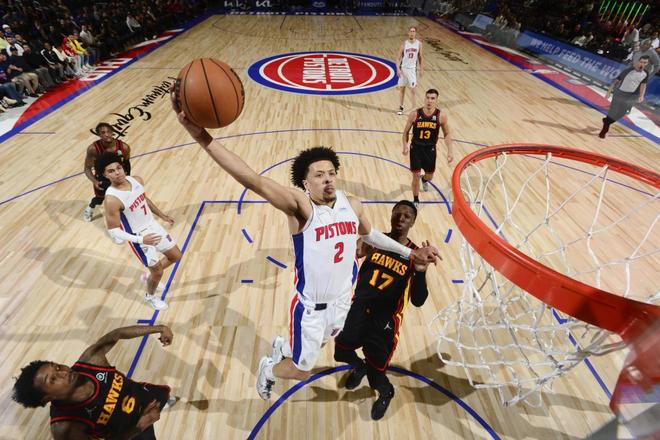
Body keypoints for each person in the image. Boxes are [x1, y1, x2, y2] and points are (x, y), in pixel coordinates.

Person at [170, 87, 440, 400]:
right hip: (311, 308)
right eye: (319, 175)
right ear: (305, 183)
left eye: (331, 173)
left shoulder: (351, 204)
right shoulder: (301, 207)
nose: (328, 179)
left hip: (343, 302)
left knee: (320, 343)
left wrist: (410, 253)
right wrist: (201, 135)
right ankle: (269, 368)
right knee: (301, 369)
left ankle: (284, 347)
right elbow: (252, 180)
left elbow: (370, 235)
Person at [334, 200, 429, 420]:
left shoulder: (415, 254)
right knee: (341, 352)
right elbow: (346, 261)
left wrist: (421, 272)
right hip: (358, 308)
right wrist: (354, 253)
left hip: (384, 321)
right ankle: (359, 366)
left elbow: (418, 300)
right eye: (398, 213)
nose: (401, 218)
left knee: (376, 376)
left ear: (413, 222)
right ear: (391, 215)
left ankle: (386, 392)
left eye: (407, 216)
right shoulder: (374, 240)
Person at [12, 324, 177, 439]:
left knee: (163, 396)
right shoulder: (65, 428)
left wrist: (160, 328)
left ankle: (163, 404)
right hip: (131, 433)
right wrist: (139, 427)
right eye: (53, 379)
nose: (64, 372)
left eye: (57, 367)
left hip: (143, 396)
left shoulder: (90, 361)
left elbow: (116, 334)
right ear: (47, 398)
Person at [97, 152, 182, 310]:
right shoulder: (112, 199)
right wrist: (142, 240)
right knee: (158, 272)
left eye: (118, 168)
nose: (117, 173)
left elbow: (144, 199)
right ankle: (150, 297)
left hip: (153, 226)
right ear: (105, 175)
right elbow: (113, 230)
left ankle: (149, 275)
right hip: (139, 236)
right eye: (111, 171)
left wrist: (162, 216)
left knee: (176, 255)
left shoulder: (136, 180)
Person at [401, 88, 454, 207]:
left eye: (432, 98)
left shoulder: (441, 116)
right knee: (415, 176)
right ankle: (415, 200)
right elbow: (405, 132)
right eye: (427, 98)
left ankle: (424, 179)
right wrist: (405, 145)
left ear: (436, 100)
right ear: (424, 98)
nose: (429, 101)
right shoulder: (415, 114)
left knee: (430, 176)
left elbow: (447, 134)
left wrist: (450, 151)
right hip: (416, 149)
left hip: (430, 150)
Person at [83, 122, 132, 222]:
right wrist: (95, 181)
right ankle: (90, 207)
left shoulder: (124, 147)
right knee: (99, 199)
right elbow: (87, 168)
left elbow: (127, 163)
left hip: (118, 177)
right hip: (102, 179)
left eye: (108, 131)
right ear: (99, 135)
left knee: (124, 196)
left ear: (112, 132)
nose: (106, 134)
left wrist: (128, 177)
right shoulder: (93, 149)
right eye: (103, 132)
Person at [599, 56, 649, 139]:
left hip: (629, 96)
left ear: (647, 64)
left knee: (622, 113)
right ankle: (604, 131)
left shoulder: (645, 73)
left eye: (645, 63)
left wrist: (641, 95)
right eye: (641, 62)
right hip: (619, 93)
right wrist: (608, 92)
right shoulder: (628, 70)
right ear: (638, 62)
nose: (642, 64)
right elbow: (615, 81)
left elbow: (643, 85)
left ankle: (607, 121)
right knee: (612, 112)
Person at [396, 26, 423, 115]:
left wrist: (421, 69)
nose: (412, 33)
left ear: (415, 33)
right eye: (410, 31)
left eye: (413, 31)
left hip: (412, 69)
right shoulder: (404, 44)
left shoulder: (419, 44)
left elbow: (420, 57)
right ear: (408, 33)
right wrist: (398, 69)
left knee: (413, 90)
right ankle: (401, 107)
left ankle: (414, 109)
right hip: (403, 69)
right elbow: (398, 58)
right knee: (402, 89)